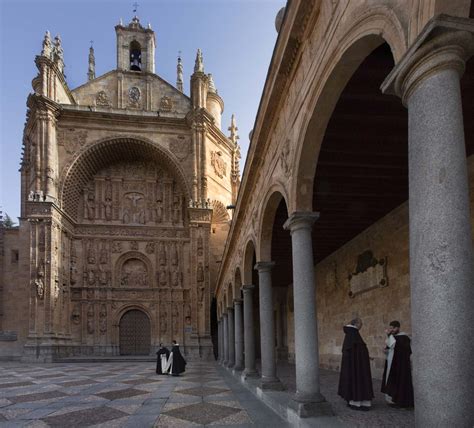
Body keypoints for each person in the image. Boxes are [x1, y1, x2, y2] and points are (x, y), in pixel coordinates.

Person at [338, 318, 374, 411]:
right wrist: (365, 357)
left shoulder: (350, 334)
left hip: (354, 364)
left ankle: (353, 401)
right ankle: (357, 402)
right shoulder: (353, 333)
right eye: (361, 324)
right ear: (356, 324)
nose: (361, 325)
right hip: (357, 366)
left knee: (353, 380)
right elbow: (358, 351)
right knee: (357, 380)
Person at [381, 321, 414, 408]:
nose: (391, 330)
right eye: (390, 328)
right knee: (392, 381)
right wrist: (386, 351)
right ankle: (392, 400)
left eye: (393, 328)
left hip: (401, 365)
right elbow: (390, 348)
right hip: (392, 363)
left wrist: (389, 336)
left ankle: (401, 401)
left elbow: (398, 347)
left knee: (401, 382)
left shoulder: (404, 337)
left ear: (398, 328)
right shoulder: (393, 337)